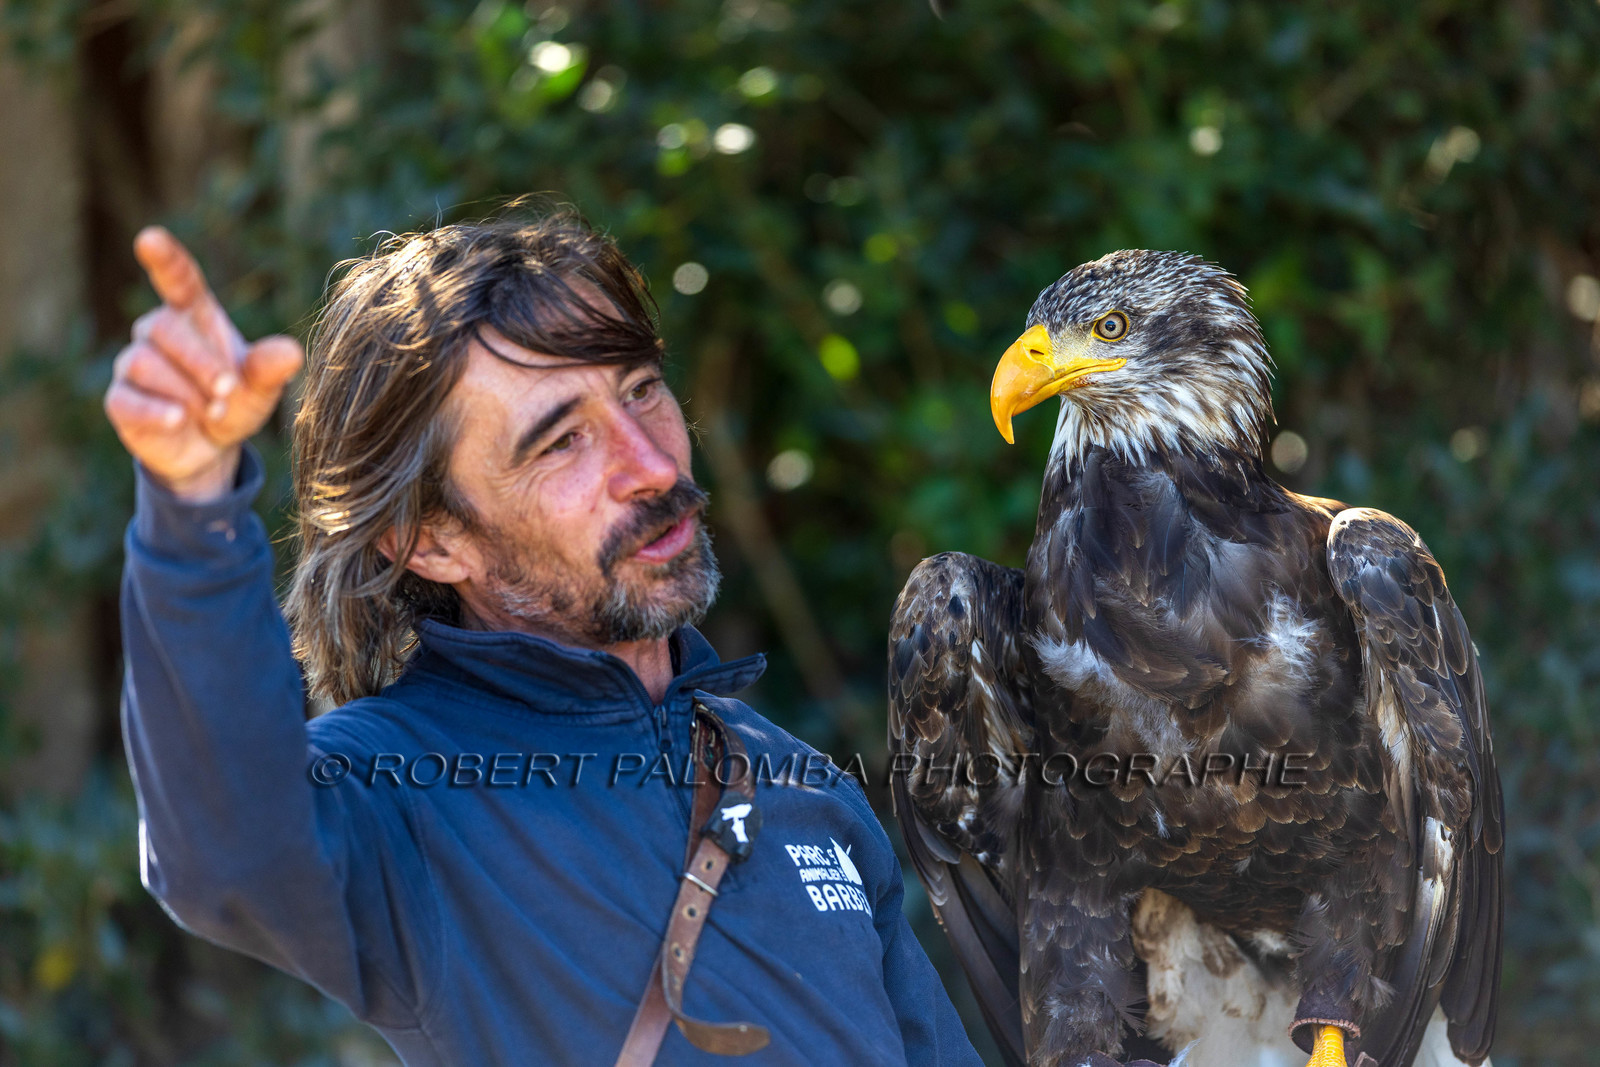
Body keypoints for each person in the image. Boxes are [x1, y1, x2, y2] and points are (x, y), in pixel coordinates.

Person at [105, 210, 982, 1066]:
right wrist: (192, 507)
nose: (653, 464)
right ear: (432, 540)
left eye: (642, 389)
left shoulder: (805, 786)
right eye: (562, 442)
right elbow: (229, 853)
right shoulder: (398, 792)